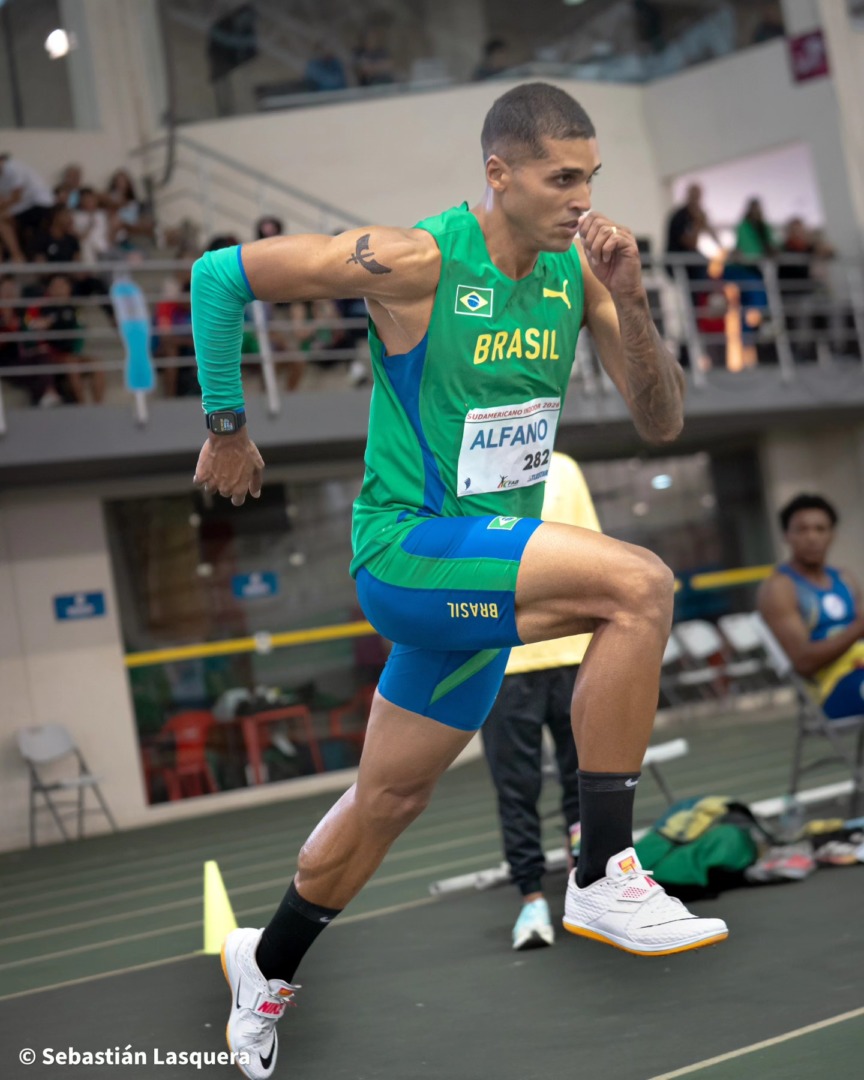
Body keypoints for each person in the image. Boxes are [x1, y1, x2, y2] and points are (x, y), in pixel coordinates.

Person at [190, 82, 728, 1080]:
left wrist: (635, 294)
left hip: (477, 590)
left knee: (386, 802)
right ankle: (604, 869)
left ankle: (261, 969)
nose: (580, 197)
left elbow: (660, 421)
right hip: (408, 552)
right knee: (640, 588)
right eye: (560, 177)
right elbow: (219, 277)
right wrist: (226, 423)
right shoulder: (417, 261)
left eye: (591, 178)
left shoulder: (580, 273)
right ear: (500, 173)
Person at [482, 451, 599, 950]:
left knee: (587, 781)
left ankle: (586, 887)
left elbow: (592, 554)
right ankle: (531, 899)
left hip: (572, 654)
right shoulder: (471, 470)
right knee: (516, 788)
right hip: (503, 661)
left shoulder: (567, 468)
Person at [758, 493, 864, 719]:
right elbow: (804, 662)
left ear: (832, 535)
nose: (812, 537)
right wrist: (858, 628)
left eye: (820, 529)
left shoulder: (845, 578)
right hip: (829, 691)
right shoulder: (780, 588)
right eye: (802, 530)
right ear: (787, 536)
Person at [0, 152, 55, 259]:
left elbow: (16, 197)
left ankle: (16, 254)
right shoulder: (2, 177)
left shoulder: (12, 168)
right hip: (25, 206)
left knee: (2, 221)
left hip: (39, 204)